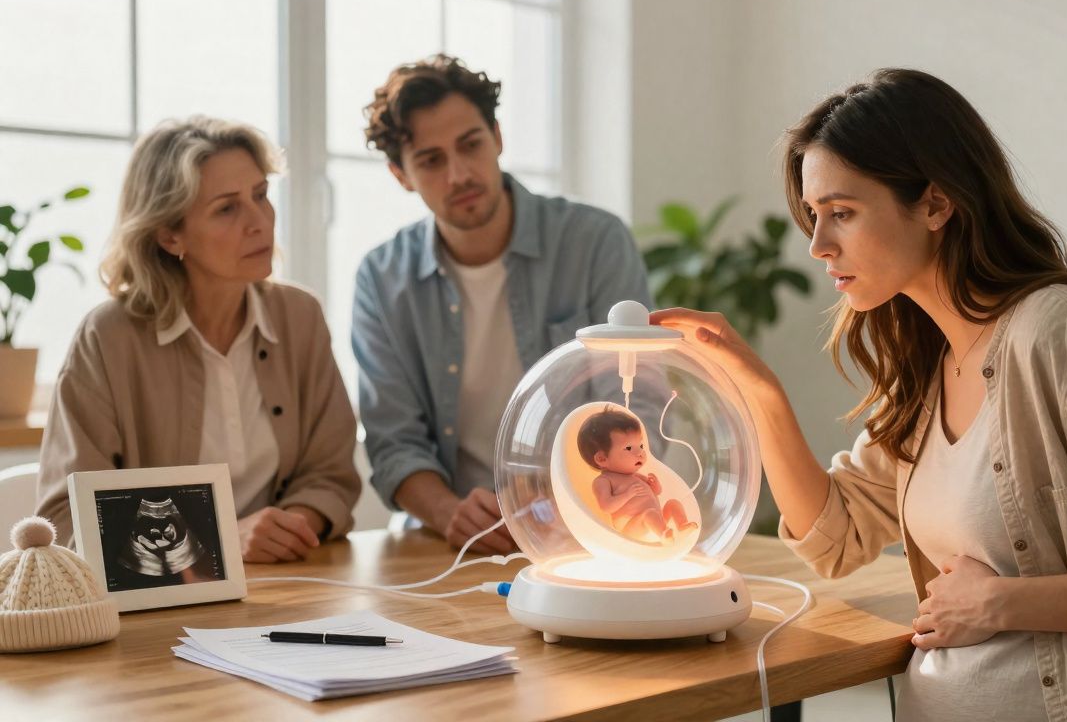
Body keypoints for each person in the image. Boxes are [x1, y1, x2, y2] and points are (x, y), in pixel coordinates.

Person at [652, 69, 1067, 721]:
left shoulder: (1064, 336)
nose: (817, 245)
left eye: (842, 214)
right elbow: (837, 537)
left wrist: (999, 602)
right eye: (812, 215)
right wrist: (758, 391)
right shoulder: (930, 364)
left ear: (936, 204)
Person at [352, 54, 650, 554]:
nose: (459, 174)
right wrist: (451, 512)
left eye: (471, 145)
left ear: (497, 136)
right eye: (430, 160)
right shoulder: (382, 280)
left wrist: (561, 507)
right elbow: (393, 441)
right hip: (450, 543)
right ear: (400, 175)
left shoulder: (595, 241)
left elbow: (636, 401)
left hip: (588, 526)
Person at [37, 116, 362, 563]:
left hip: (288, 581)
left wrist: (290, 527)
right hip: (158, 606)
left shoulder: (300, 316)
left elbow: (330, 473)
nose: (259, 222)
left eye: (261, 195)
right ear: (170, 235)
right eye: (227, 208)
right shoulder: (107, 337)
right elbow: (66, 518)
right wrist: (221, 539)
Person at [578, 407, 697, 544]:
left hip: (655, 520)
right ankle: (664, 536)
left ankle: (681, 526)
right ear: (602, 459)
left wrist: (655, 485)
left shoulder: (636, 477)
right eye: (629, 448)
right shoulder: (603, 481)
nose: (640, 452)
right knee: (649, 514)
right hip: (631, 527)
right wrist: (628, 494)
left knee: (672, 503)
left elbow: (656, 493)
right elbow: (606, 506)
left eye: (640, 446)